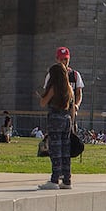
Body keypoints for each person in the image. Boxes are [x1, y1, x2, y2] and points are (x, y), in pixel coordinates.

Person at [40, 52, 76, 190]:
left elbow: (43, 103)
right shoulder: (69, 89)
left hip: (55, 118)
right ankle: (67, 180)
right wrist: (72, 123)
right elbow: (72, 107)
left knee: (55, 149)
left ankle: (54, 179)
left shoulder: (54, 88)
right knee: (65, 150)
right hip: (67, 119)